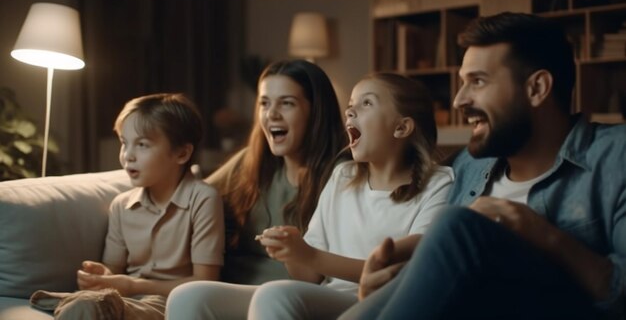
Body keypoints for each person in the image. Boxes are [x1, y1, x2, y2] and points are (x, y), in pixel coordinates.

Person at [340, 12, 626, 320]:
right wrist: (390, 280)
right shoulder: (466, 168)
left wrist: (542, 234)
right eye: (463, 83)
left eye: (477, 81)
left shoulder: (615, 156)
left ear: (537, 88)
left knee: (455, 224)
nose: (459, 100)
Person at [248, 73, 454, 319]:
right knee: (195, 294)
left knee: (274, 295)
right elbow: (310, 276)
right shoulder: (342, 176)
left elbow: (405, 274)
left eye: (366, 103)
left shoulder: (439, 183)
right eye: (350, 106)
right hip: (327, 298)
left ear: (402, 127)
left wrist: (310, 255)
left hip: (383, 302)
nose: (349, 112)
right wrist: (292, 252)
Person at [165, 59, 348, 319]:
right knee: (187, 296)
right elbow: (194, 195)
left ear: (315, 111)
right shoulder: (251, 162)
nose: (272, 114)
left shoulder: (343, 174)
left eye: (287, 103)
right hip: (230, 288)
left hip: (288, 298)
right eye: (264, 103)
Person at [30, 93, 225, 319]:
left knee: (88, 307)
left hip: (175, 303)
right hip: (125, 299)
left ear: (182, 153)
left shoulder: (203, 199)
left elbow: (205, 283)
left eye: (142, 145)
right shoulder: (122, 205)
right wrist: (104, 275)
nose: (128, 156)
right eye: (124, 143)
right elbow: (115, 269)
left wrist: (132, 286)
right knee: (87, 303)